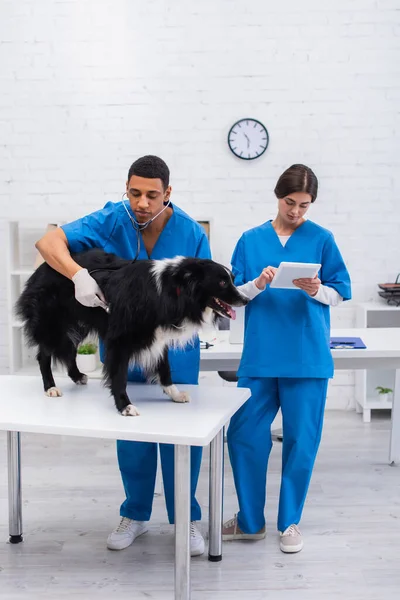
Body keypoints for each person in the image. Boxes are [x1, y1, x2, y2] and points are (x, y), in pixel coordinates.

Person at [35, 155, 211, 556]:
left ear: (168, 193)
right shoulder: (111, 218)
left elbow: (203, 288)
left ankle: (186, 517)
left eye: (152, 195)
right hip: (124, 340)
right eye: (134, 193)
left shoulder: (189, 231)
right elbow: (48, 243)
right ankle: (135, 513)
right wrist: (77, 275)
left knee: (184, 437)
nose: (142, 204)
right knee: (132, 435)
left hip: (174, 348)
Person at [222, 164, 351, 553]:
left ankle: (289, 522)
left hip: (306, 355)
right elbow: (232, 295)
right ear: (278, 196)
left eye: (304, 205)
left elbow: (340, 291)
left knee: (301, 440)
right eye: (290, 202)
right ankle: (250, 521)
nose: (296, 212)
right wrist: (258, 283)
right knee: (243, 434)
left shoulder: (322, 239)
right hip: (261, 355)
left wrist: (317, 290)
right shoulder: (250, 239)